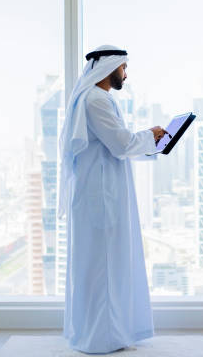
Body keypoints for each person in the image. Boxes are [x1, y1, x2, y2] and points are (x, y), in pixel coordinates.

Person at [58, 44, 167, 354]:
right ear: (109, 68)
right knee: (103, 268)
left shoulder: (99, 98)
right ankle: (101, 339)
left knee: (104, 266)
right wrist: (151, 134)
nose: (125, 74)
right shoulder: (95, 99)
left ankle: (109, 334)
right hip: (100, 198)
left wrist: (148, 138)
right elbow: (121, 144)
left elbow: (117, 144)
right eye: (123, 68)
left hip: (101, 193)